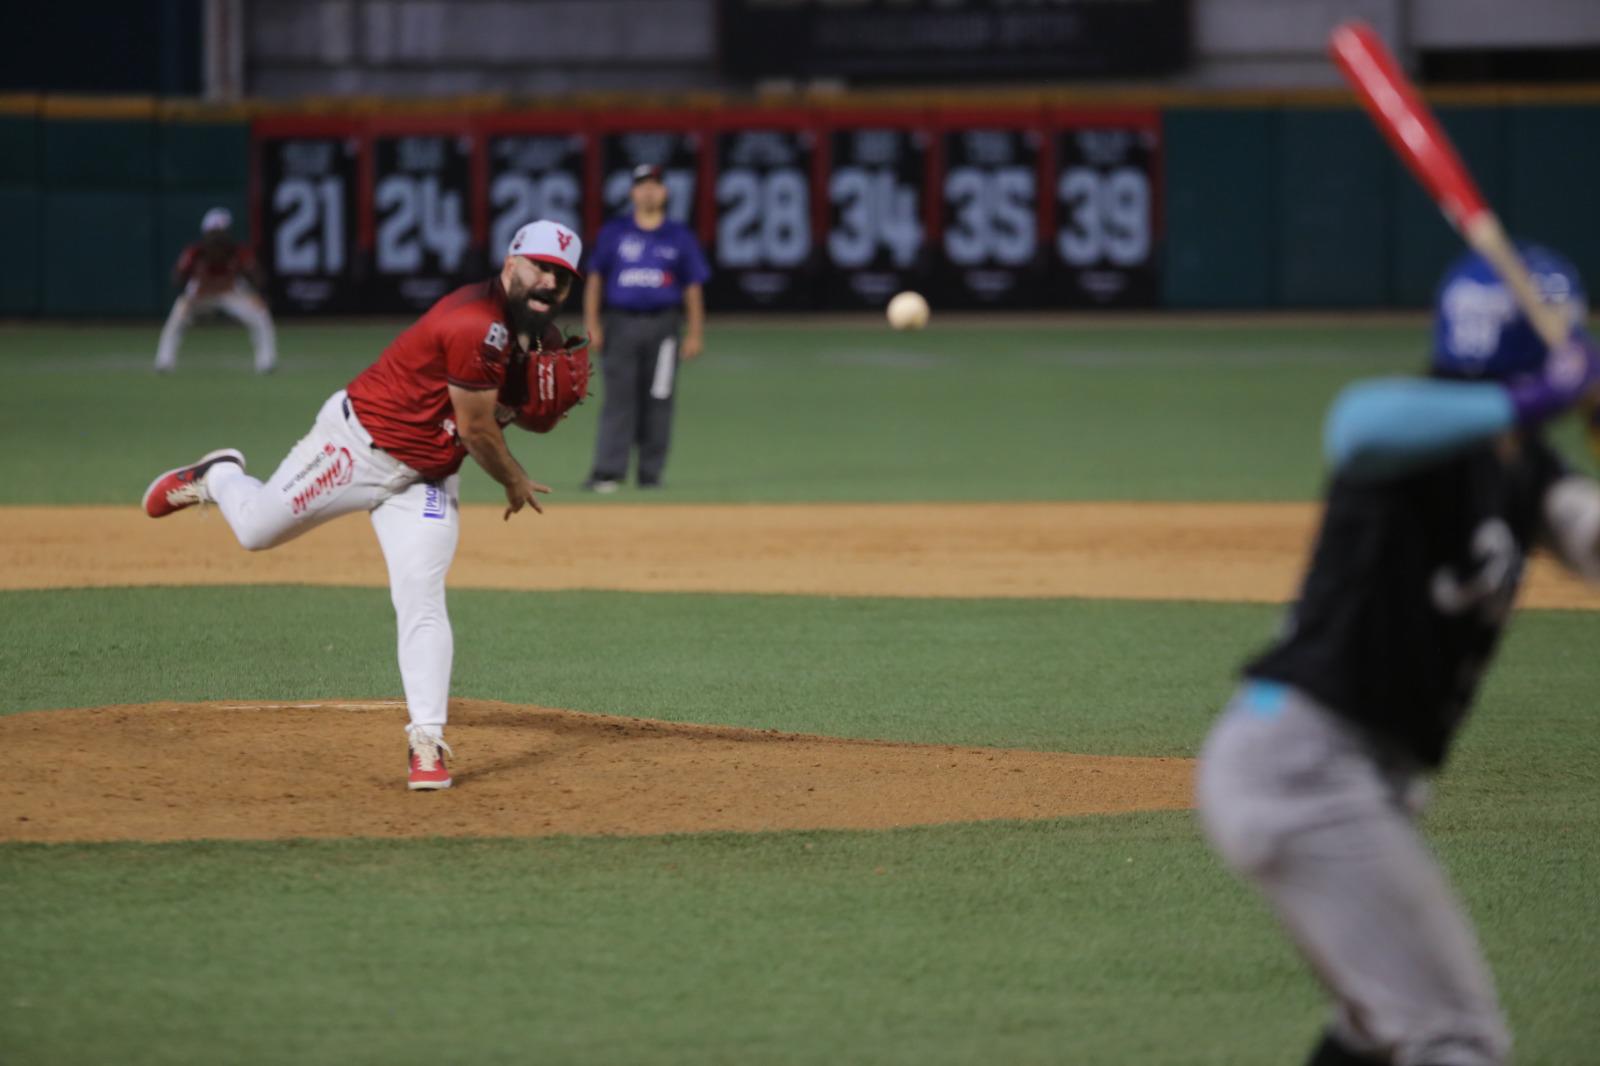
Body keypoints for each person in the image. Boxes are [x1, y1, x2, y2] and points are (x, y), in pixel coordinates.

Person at [1196, 244, 1600, 1066]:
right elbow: (1357, 424)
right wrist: (1537, 396)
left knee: (1377, 1028)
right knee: (1456, 1040)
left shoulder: (1526, 467)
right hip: (1302, 766)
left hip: (1349, 776)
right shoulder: (1412, 431)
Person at [140, 220, 590, 790]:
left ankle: (427, 740)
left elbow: (497, 412)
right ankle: (221, 475)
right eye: (540, 267)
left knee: (421, 594)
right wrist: (515, 480)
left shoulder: (536, 338)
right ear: (510, 264)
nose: (549, 282)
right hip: (354, 448)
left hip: (425, 477)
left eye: (561, 276)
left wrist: (530, 409)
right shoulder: (476, 322)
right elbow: (476, 428)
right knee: (254, 532)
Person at [582, 164, 711, 492]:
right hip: (620, 323)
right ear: (632, 193)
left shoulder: (679, 236)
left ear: (664, 192)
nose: (649, 191)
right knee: (618, 399)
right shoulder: (615, 232)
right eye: (642, 185)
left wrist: (695, 333)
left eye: (654, 185)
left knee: (659, 398)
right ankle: (608, 472)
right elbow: (595, 279)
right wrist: (592, 323)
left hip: (664, 326)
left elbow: (692, 287)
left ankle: (651, 474)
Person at [155, 207, 277, 374]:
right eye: (214, 232)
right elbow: (177, 278)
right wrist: (186, 295)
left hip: (230, 293)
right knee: (178, 314)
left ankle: (266, 362)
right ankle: (164, 361)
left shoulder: (238, 252)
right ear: (206, 233)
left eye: (221, 232)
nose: (217, 237)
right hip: (200, 295)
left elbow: (258, 276)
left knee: (260, 313)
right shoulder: (194, 253)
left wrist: (255, 295)